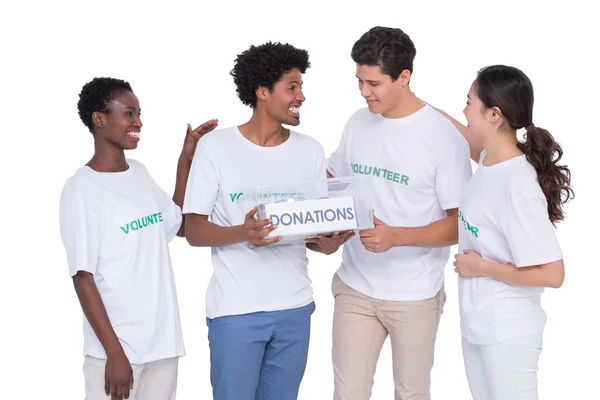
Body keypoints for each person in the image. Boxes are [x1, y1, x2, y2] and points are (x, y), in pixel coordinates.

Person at [182, 42, 353, 400]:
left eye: (301, 87)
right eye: (292, 87)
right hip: (236, 311)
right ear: (262, 92)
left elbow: (313, 225)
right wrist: (244, 232)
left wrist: (329, 242)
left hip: (294, 308)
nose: (301, 96)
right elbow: (194, 230)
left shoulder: (310, 150)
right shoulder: (217, 148)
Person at [326, 26, 473, 400]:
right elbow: (333, 178)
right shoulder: (358, 122)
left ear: (404, 77)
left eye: (373, 83)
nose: (363, 92)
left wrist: (397, 236)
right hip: (355, 286)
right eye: (359, 80)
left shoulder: (442, 137)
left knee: (411, 394)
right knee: (348, 394)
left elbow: (461, 224)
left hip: (415, 294)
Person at [59, 76, 217, 400]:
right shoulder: (81, 189)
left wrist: (186, 159)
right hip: (115, 351)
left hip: (162, 344)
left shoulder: (140, 174)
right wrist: (114, 353)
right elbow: (82, 277)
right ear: (99, 119)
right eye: (129, 113)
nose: (139, 122)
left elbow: (179, 224)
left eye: (139, 113)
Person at [446, 65, 572, 400]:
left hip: (509, 330)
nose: (464, 110)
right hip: (478, 323)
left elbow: (553, 273)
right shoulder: (490, 159)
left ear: (494, 114)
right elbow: (463, 136)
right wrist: (414, 104)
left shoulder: (519, 184)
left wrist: (481, 267)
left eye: (469, 102)